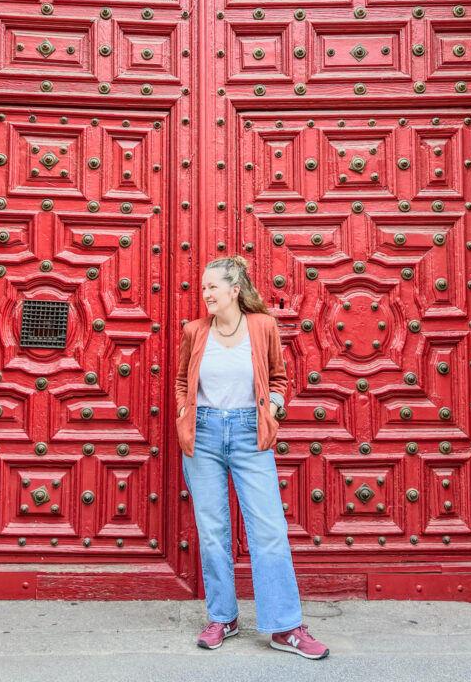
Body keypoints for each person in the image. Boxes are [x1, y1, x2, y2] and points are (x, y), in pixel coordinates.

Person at [175, 255, 330, 660]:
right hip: (204, 434)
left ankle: (285, 627)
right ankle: (222, 618)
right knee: (212, 532)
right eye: (203, 287)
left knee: (269, 531)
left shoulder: (262, 327)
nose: (205, 293)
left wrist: (274, 407)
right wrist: (182, 412)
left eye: (212, 287)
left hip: (249, 433)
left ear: (234, 290)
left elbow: (278, 376)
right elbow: (181, 380)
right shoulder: (195, 331)